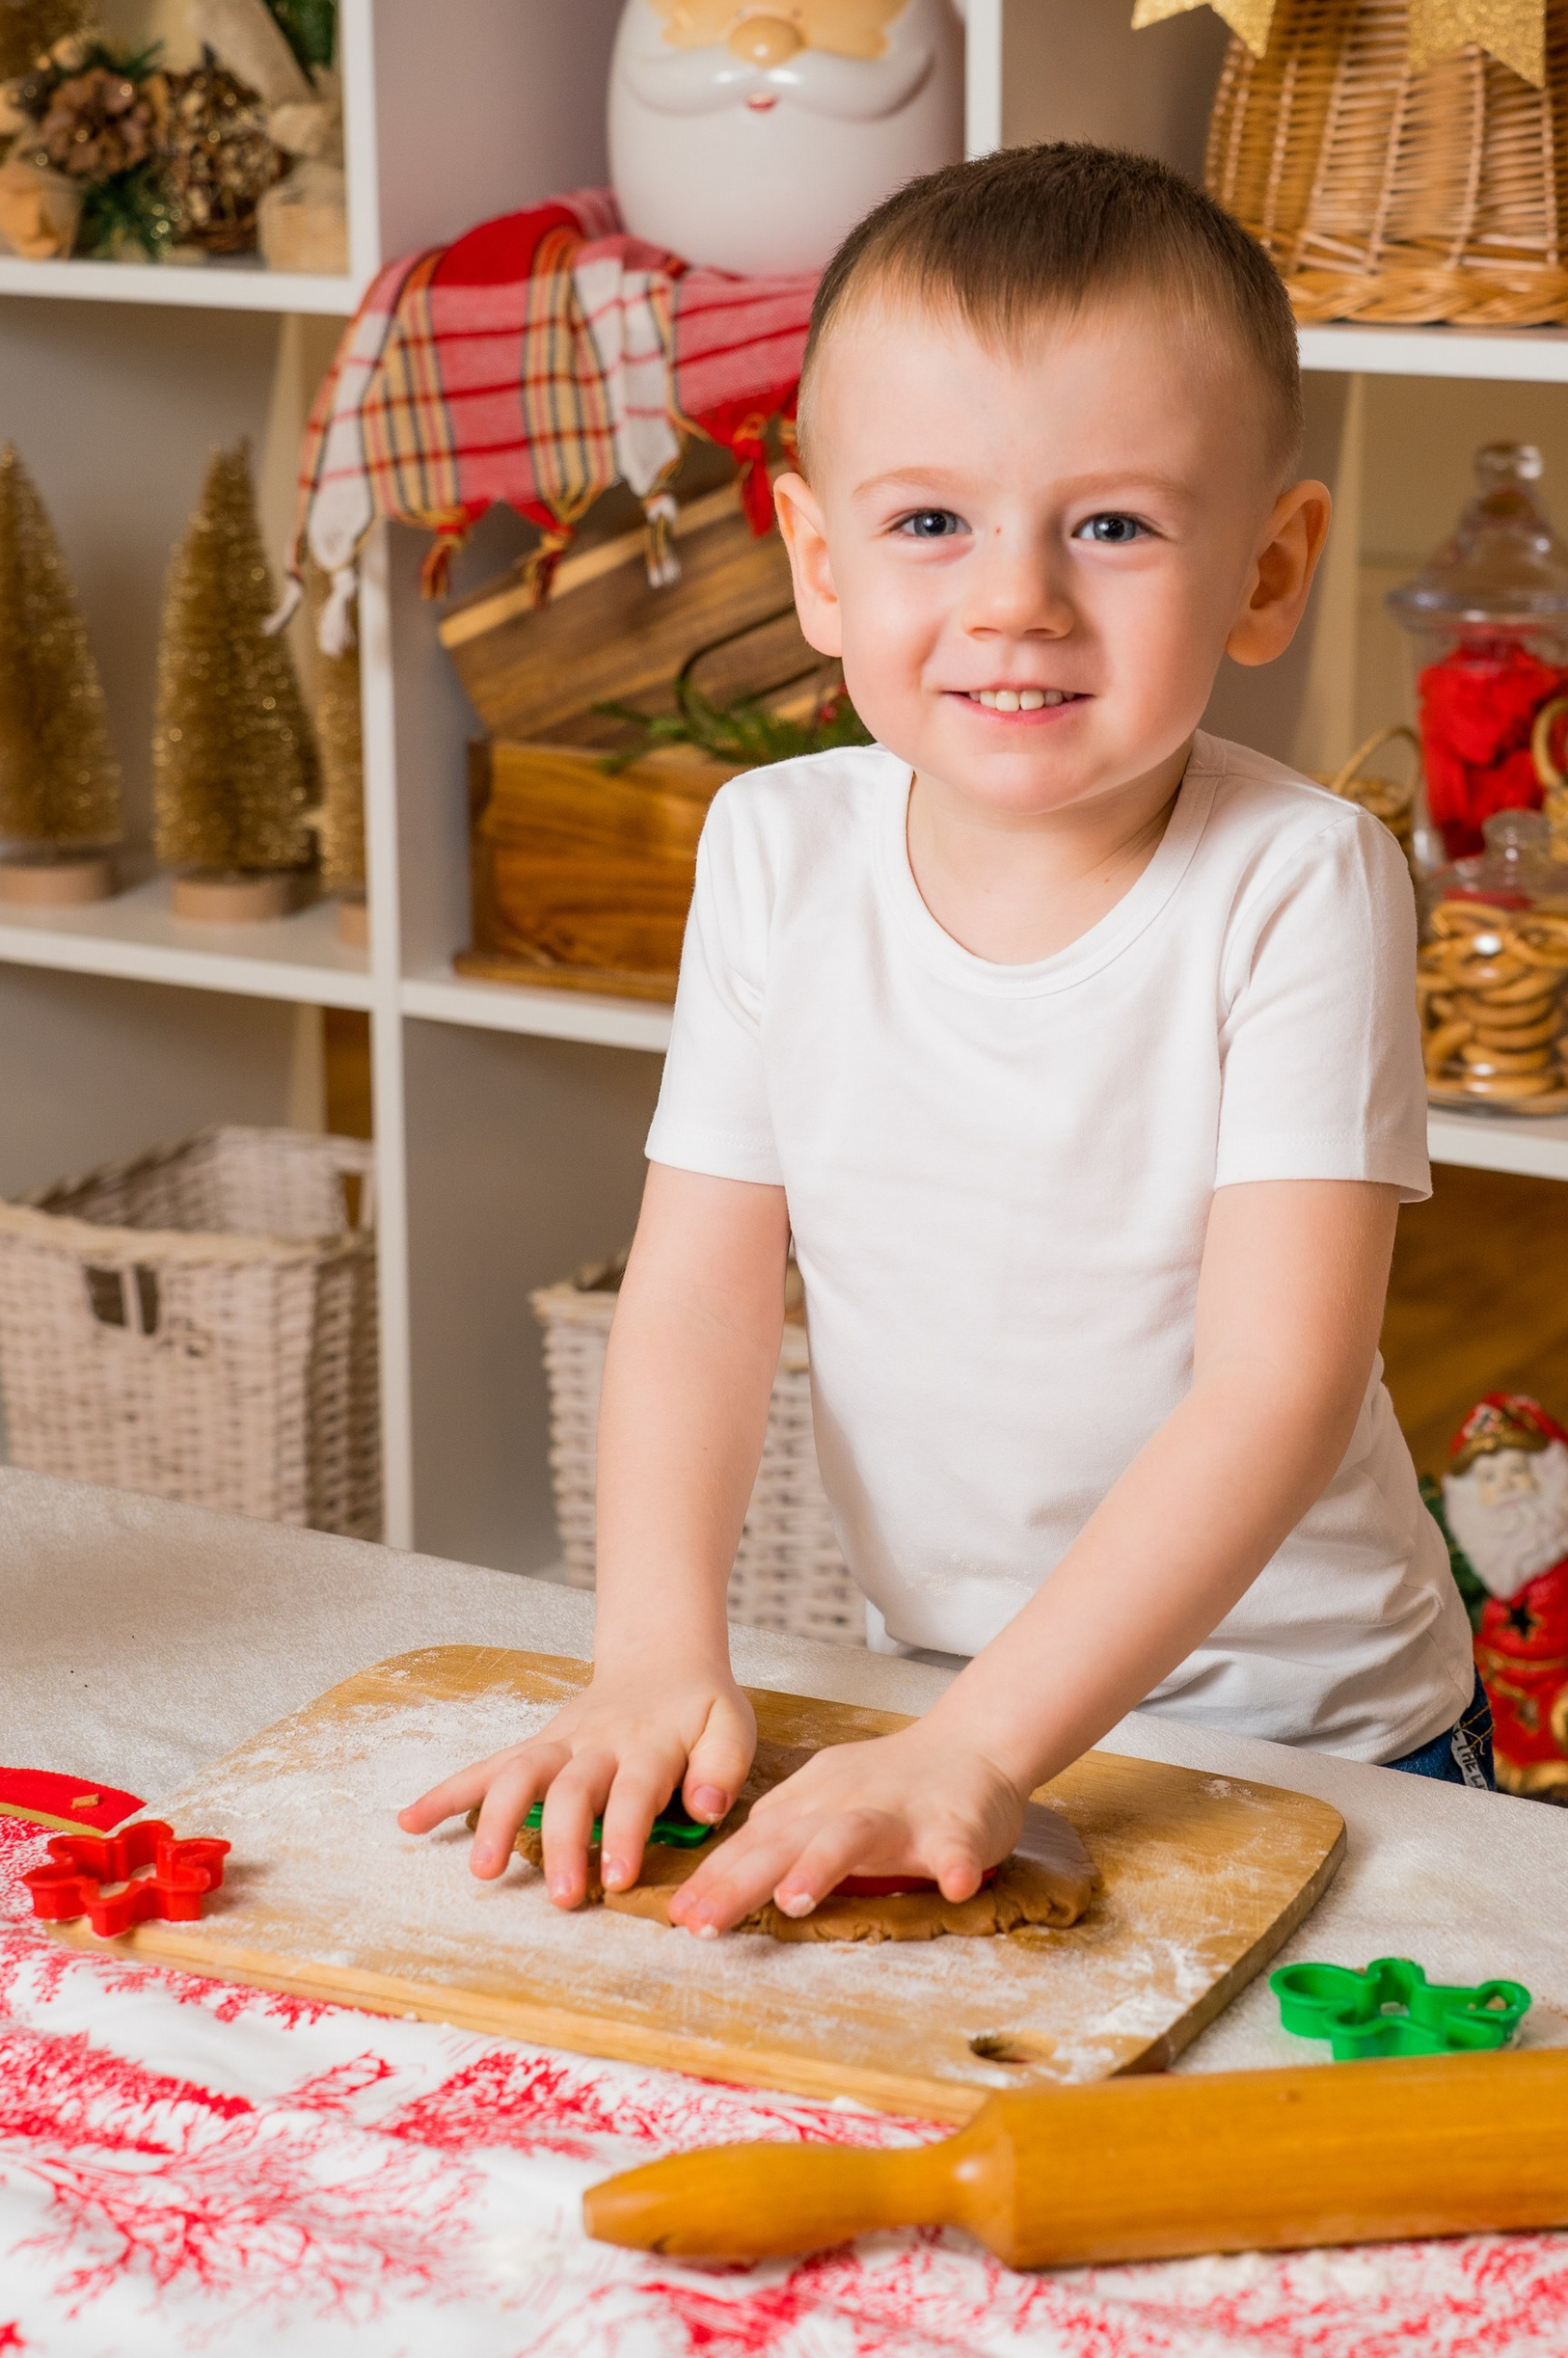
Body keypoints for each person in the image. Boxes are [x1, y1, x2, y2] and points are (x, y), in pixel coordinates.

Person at [401, 143, 1480, 1927]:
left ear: (1270, 569)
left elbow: (1278, 1393)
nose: (1016, 603)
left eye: (1114, 525)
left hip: (1310, 1744)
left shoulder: (1301, 878)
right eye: (929, 524)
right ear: (818, 561)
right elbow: (696, 1292)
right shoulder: (776, 849)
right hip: (941, 1706)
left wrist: (983, 1746)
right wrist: (655, 1656)